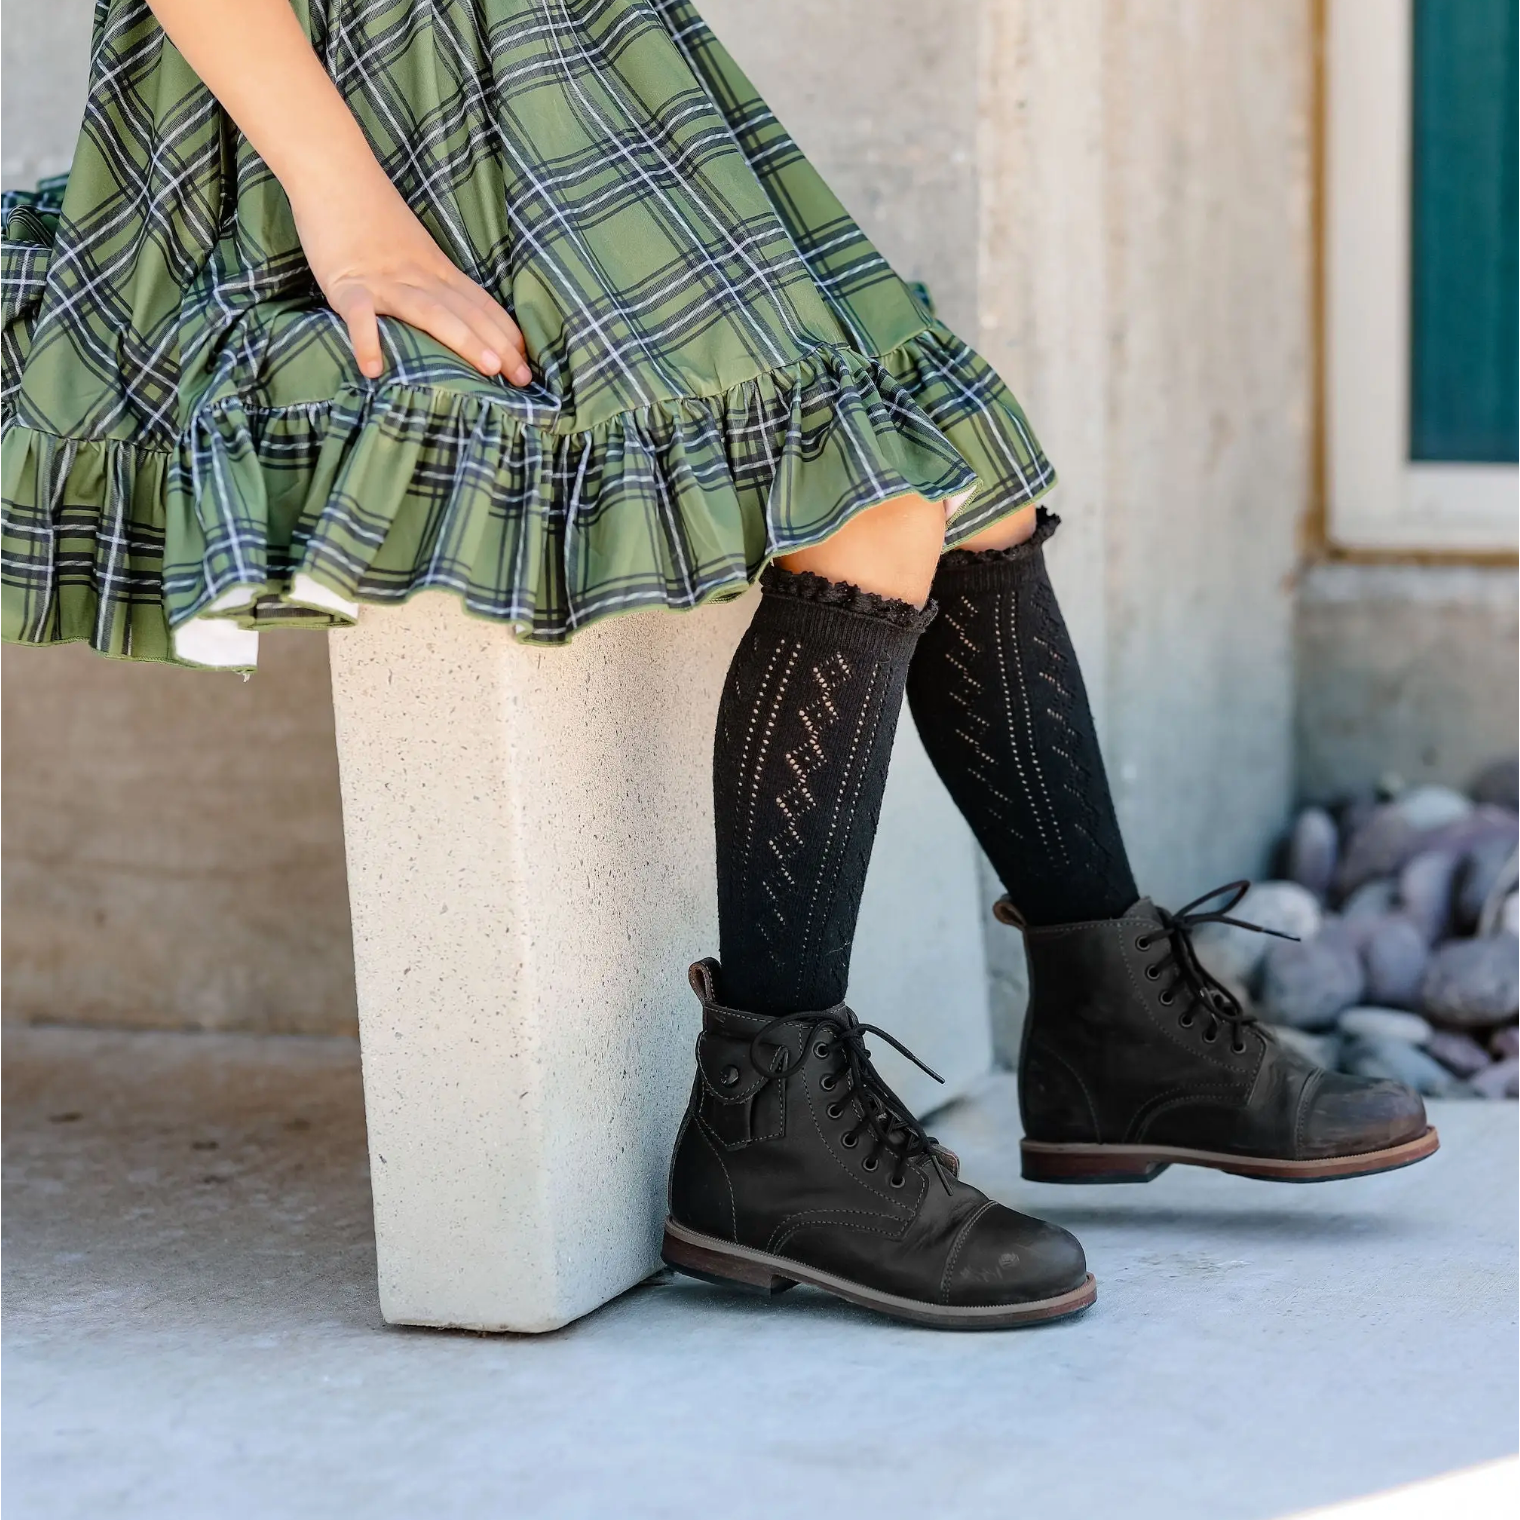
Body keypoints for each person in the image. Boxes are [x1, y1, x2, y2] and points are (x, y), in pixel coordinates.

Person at [1, 0, 1437, 1331]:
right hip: (350, 103)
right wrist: (343, 198)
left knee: (963, 474)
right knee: (871, 500)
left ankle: (1114, 1022)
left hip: (576, 65)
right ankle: (773, 1111)